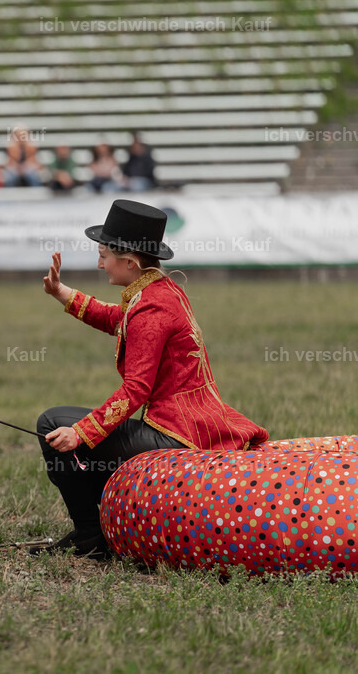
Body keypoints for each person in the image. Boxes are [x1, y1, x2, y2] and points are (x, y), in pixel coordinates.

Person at [33, 199, 269, 559]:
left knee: (52, 422)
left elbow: (136, 391)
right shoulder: (160, 290)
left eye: (103, 255)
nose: (99, 263)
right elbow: (119, 319)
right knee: (70, 431)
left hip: (176, 436)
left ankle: (91, 538)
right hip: (194, 426)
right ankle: (107, 524)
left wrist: (81, 432)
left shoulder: (153, 306)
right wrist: (61, 293)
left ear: (130, 262)